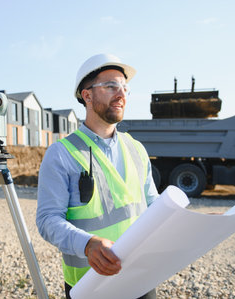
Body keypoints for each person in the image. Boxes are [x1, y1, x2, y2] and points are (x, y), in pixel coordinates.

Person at [36, 54, 159, 299]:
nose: (122, 94)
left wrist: (189, 221)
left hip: (140, 278)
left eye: (125, 88)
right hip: (90, 285)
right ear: (87, 95)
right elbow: (48, 219)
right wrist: (88, 244)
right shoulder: (61, 154)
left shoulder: (136, 148)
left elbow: (153, 205)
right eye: (111, 86)